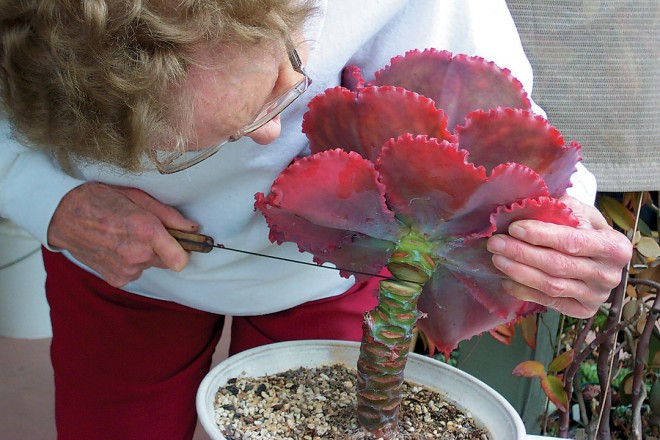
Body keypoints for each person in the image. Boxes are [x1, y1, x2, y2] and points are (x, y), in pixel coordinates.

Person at [0, 1, 632, 439]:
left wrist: (562, 226)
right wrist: (44, 196)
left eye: (285, 77)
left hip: (331, 267)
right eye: (200, 145)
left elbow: (500, 118)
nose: (275, 137)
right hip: (117, 257)